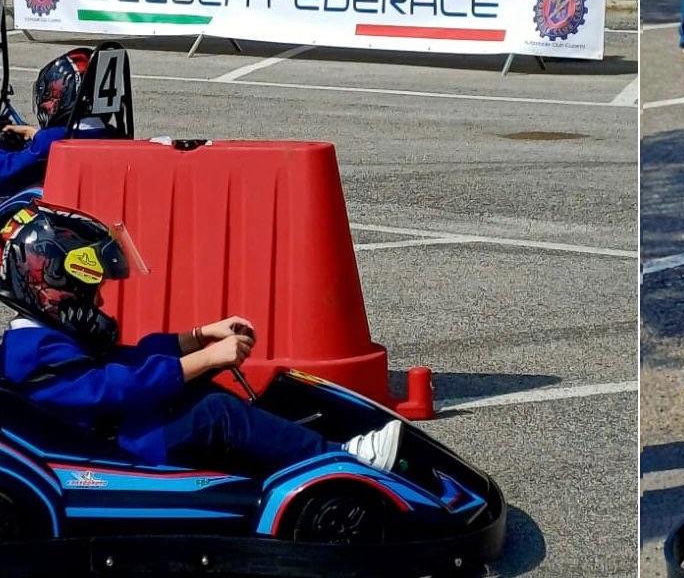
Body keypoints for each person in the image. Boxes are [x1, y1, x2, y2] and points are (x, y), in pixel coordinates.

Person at [0, 202, 402, 477]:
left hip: (118, 433)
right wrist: (205, 360)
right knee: (215, 414)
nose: (101, 301)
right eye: (94, 292)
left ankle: (306, 454)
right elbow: (117, 386)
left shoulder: (39, 338)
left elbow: (124, 359)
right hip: (106, 455)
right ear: (55, 284)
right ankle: (342, 461)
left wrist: (198, 337)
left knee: (204, 396)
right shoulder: (31, 352)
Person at [0, 48, 123, 200]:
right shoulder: (114, 136)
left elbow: (5, 172)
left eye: (49, 95)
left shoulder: (52, 143)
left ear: (67, 96)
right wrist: (33, 134)